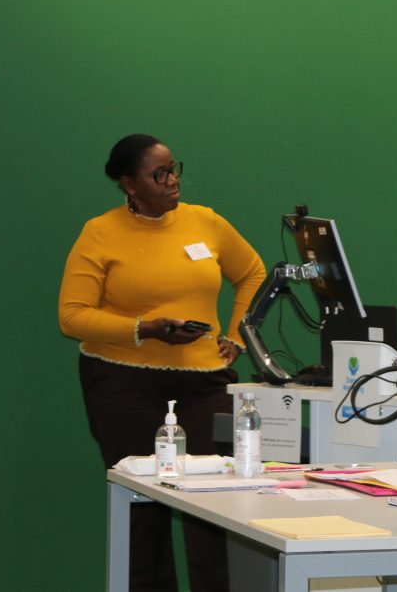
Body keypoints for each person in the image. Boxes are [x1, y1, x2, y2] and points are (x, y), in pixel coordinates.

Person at [58, 133, 266, 592]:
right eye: (160, 174)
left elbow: (252, 273)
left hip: (205, 381)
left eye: (175, 169)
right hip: (121, 384)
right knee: (142, 512)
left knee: (214, 508)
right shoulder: (100, 232)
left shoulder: (205, 222)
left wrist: (236, 335)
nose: (173, 181)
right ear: (130, 185)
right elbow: (72, 316)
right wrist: (144, 329)